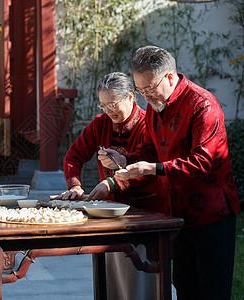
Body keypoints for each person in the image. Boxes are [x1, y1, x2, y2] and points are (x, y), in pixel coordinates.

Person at [98, 46, 240, 300]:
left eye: (150, 89)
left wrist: (153, 169)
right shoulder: (155, 107)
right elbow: (149, 150)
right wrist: (124, 159)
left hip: (212, 214)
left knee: (212, 291)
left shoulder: (203, 104)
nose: (146, 96)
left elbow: (204, 161)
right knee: (184, 287)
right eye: (141, 91)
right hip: (176, 215)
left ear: (170, 78)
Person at [59, 72, 169, 299]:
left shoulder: (150, 122)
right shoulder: (100, 124)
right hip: (109, 215)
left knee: (143, 280)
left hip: (147, 214)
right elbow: (73, 156)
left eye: (112, 104)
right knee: (111, 277)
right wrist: (75, 185)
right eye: (103, 105)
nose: (108, 111)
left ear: (131, 97)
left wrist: (111, 183)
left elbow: (149, 167)